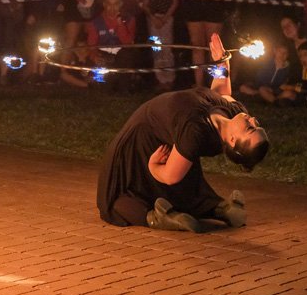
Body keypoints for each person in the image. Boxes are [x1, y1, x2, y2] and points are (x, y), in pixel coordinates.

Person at [97, 33, 269, 232]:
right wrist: (222, 63)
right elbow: (221, 92)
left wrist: (153, 166)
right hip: (154, 132)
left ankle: (160, 218)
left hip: (140, 142)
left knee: (117, 198)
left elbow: (170, 176)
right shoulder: (235, 112)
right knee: (187, 187)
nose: (252, 120)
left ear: (232, 140)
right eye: (257, 124)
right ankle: (219, 209)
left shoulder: (194, 133)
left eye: (250, 129)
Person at [139, 0, 179, 91]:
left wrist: (165, 17)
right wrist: (153, 17)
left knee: (167, 48)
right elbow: (145, 4)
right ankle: (160, 79)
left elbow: (175, 1)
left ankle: (170, 78)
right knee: (156, 48)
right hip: (153, 19)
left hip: (166, 19)